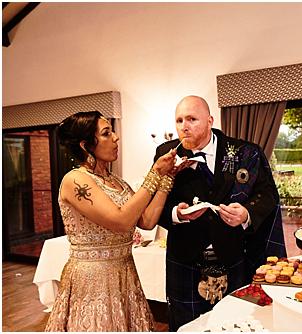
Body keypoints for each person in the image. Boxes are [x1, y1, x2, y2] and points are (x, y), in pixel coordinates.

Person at [46, 111, 189, 331]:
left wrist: (167, 178)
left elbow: (147, 221)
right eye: (106, 133)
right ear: (86, 145)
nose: (116, 138)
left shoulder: (117, 182)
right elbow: (121, 221)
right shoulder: (75, 180)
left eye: (112, 131)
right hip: (93, 279)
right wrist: (154, 173)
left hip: (124, 273)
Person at [155, 96, 286, 330]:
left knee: (234, 324)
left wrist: (246, 214)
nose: (184, 126)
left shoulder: (247, 152)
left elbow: (268, 196)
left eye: (192, 119)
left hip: (234, 254)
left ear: (210, 121)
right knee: (188, 327)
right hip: (185, 258)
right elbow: (153, 204)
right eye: (179, 120)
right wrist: (176, 214)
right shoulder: (166, 154)